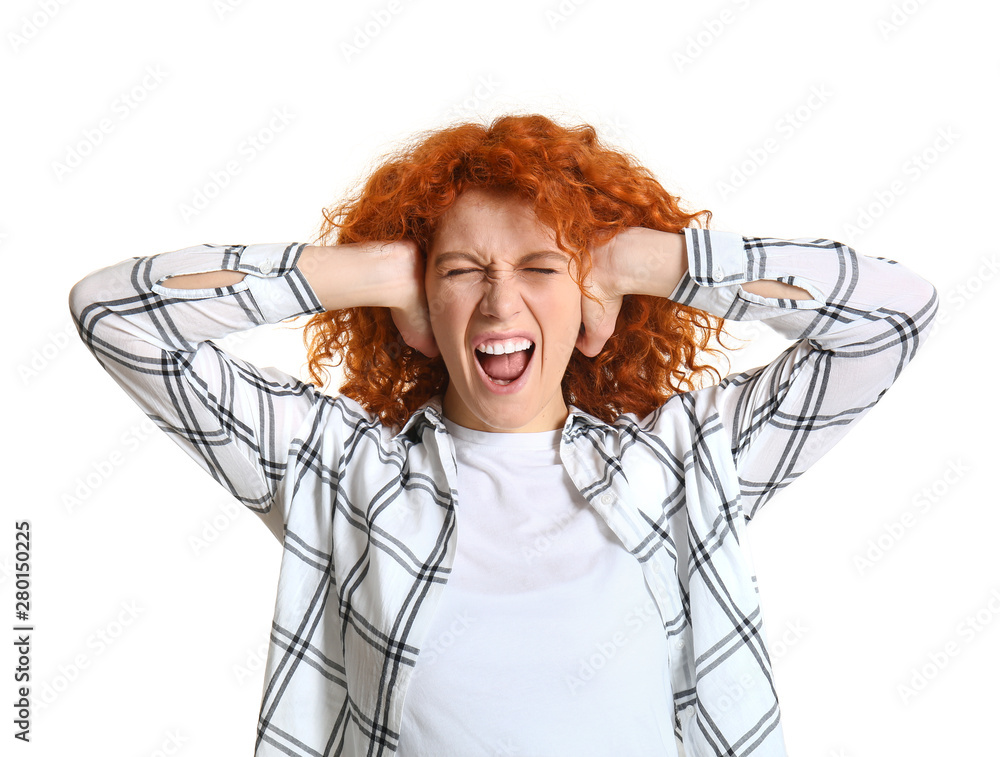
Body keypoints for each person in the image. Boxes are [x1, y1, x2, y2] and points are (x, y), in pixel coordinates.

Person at [68, 113, 938, 757]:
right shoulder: (337, 469)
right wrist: (370, 270)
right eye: (462, 271)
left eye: (540, 267)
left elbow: (893, 318)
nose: (499, 303)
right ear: (419, 310)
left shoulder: (683, 461)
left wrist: (650, 261)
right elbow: (115, 316)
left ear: (590, 297)